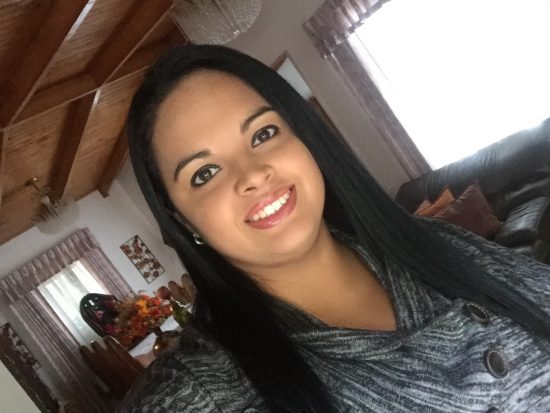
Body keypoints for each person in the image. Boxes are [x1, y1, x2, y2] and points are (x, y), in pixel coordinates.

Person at [117, 44, 550, 412]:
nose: (252, 174)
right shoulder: (207, 389)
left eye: (263, 134)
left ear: (304, 138)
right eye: (204, 173)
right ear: (181, 219)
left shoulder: (435, 243)